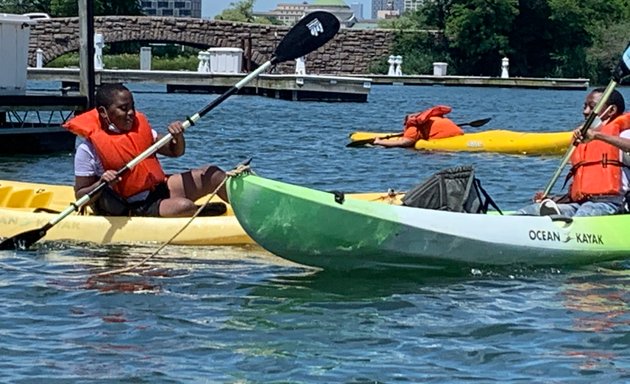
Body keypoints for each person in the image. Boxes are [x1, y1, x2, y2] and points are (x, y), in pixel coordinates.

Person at [64, 83, 229, 217]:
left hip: (156, 189)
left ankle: (250, 214)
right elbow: (80, 195)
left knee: (212, 175)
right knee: (183, 206)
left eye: (132, 107)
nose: (131, 113)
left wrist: (177, 137)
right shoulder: (87, 149)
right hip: (130, 205)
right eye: (123, 108)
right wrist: (102, 182)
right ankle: (196, 212)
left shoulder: (142, 129)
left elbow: (175, 152)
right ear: (103, 112)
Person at [518, 88, 630, 217]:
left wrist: (598, 136)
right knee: (530, 211)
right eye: (585, 106)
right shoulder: (584, 140)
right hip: (580, 204)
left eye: (592, 107)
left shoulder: (624, 134)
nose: (585, 111)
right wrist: (554, 199)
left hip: (612, 205)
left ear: (611, 110)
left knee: (585, 212)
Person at [373, 105, 464, 148]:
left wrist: (379, 141)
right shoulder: (433, 117)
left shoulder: (413, 127)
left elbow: (403, 143)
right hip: (458, 132)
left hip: (449, 136)